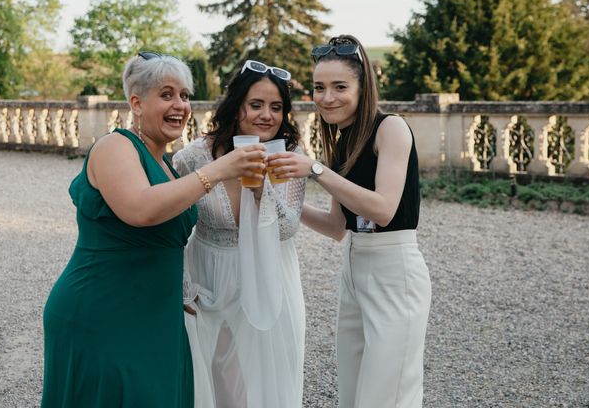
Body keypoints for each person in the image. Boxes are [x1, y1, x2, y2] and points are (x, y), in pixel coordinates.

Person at [41, 52, 265, 408]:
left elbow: (168, 242)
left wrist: (183, 286)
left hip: (159, 315)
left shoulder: (168, 165)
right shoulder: (115, 146)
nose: (180, 105)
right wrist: (219, 170)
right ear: (136, 103)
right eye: (166, 94)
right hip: (103, 313)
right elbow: (140, 210)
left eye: (185, 95)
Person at [267, 35, 432, 408]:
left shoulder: (390, 128)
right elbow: (337, 227)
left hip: (395, 272)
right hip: (354, 271)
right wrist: (274, 202)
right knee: (355, 393)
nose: (327, 97)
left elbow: (383, 209)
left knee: (387, 395)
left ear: (363, 87)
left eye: (340, 86)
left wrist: (313, 168)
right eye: (319, 88)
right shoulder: (342, 141)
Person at [173, 60, 306, 408]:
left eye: (276, 107)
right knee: (215, 378)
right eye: (256, 104)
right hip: (209, 275)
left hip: (267, 274)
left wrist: (263, 191)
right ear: (237, 106)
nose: (267, 115)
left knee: (266, 377)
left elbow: (289, 226)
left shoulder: (289, 157)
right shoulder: (195, 157)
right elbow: (174, 223)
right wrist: (183, 282)